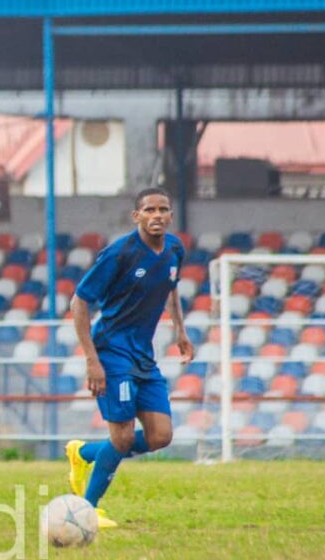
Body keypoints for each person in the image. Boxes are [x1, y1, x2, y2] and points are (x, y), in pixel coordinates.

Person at [65, 187, 194, 529]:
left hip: (143, 356)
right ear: (136, 216)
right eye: (149, 210)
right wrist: (92, 360)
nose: (157, 215)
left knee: (160, 436)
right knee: (121, 438)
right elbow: (79, 302)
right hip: (112, 353)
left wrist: (180, 331)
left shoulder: (175, 249)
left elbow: (171, 287)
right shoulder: (120, 253)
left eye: (163, 209)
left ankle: (84, 454)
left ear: (170, 215)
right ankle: (85, 511)